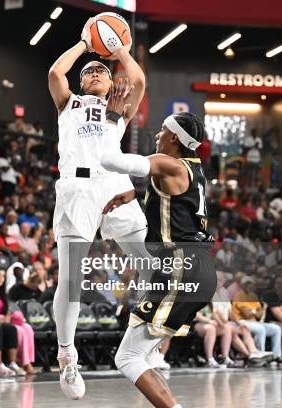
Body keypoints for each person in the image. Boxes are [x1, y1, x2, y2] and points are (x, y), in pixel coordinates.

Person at [47, 17, 148, 399]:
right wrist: (85, 42)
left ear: (109, 84)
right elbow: (57, 71)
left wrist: (117, 47)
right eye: (88, 71)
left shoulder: (118, 108)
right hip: (77, 185)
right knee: (71, 278)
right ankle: (67, 355)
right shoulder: (68, 102)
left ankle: (144, 344)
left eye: (100, 72)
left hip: (114, 182)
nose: (92, 73)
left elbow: (138, 82)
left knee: (154, 262)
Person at [101, 111, 217, 408]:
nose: (157, 134)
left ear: (175, 138)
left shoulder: (169, 163)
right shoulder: (193, 168)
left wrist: (112, 119)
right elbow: (174, 205)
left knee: (126, 357)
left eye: (163, 129)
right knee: (142, 357)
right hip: (196, 266)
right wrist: (135, 194)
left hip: (180, 265)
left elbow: (112, 160)